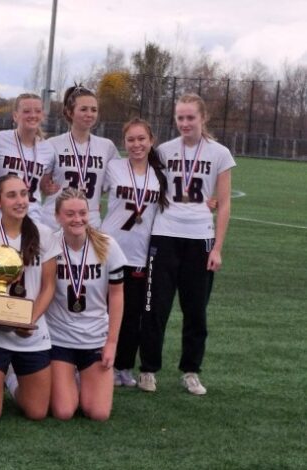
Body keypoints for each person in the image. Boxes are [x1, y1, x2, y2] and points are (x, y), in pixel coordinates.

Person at [138, 93, 235, 396]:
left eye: (190, 117)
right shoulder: (164, 151)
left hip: (200, 239)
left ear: (202, 118)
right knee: (155, 308)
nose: (185, 123)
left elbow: (225, 202)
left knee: (196, 311)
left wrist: (217, 247)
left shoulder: (219, 153)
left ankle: (191, 371)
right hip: (165, 236)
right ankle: (148, 370)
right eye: (180, 117)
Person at [0, 174, 58, 421]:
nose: (20, 200)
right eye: (11, 195)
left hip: (32, 332)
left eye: (23, 193)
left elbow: (49, 286)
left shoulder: (44, 234)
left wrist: (29, 320)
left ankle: (9, 379)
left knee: (38, 412)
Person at [46, 188, 126, 421]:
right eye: (69, 214)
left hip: (94, 339)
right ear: (58, 216)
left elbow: (117, 295)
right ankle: (16, 377)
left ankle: (81, 379)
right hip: (59, 339)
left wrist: (111, 342)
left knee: (98, 413)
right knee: (63, 412)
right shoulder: (49, 245)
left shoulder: (107, 245)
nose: (77, 219)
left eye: (82, 213)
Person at [100, 118, 167, 388]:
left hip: (139, 255)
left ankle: (123, 366)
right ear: (123, 142)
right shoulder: (113, 167)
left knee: (130, 316)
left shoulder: (159, 175)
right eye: (131, 139)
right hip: (108, 250)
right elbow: (89, 190)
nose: (136, 144)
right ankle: (93, 362)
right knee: (100, 311)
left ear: (151, 141)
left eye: (141, 139)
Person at [42, 84, 119, 229]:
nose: (89, 114)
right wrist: (45, 186)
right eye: (83, 109)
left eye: (94, 110)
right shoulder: (52, 144)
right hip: (55, 220)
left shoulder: (107, 147)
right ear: (70, 112)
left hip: (89, 220)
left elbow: (112, 182)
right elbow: (42, 184)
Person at [0, 93, 54, 224]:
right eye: (26, 111)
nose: (33, 115)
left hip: (32, 218)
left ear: (42, 115)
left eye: (37, 111)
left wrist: (48, 188)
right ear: (15, 115)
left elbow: (43, 185)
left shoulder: (48, 149)